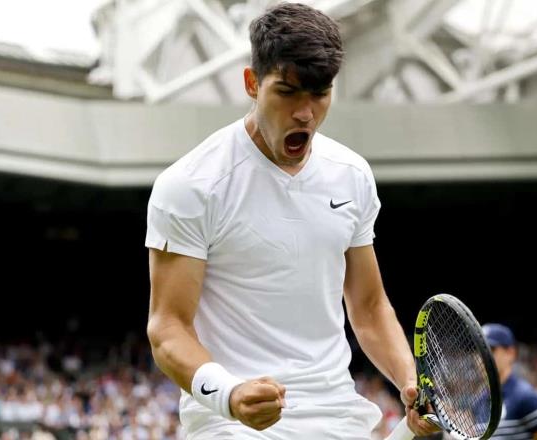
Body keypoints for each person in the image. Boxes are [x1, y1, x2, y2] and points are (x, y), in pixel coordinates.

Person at [144, 3, 439, 438]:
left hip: (336, 411)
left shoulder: (352, 176)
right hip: (230, 423)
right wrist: (228, 393)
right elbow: (167, 329)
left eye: (319, 94)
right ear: (251, 83)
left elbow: (370, 307)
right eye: (287, 92)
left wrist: (408, 382)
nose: (305, 113)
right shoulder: (189, 186)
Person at [481, 323, 537, 440]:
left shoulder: (527, 398)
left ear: (511, 353)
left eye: (491, 349)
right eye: (479, 349)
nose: (483, 355)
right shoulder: (477, 403)